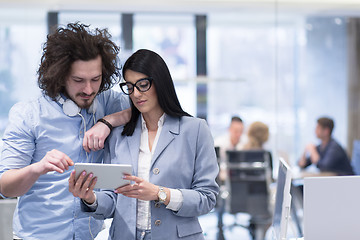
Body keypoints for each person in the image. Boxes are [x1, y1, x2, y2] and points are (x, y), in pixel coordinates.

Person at [69, 49, 219, 240]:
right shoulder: (118, 135)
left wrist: (159, 193)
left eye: (143, 85)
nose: (136, 94)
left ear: (160, 82)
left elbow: (207, 198)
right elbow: (113, 198)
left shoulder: (195, 130)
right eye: (130, 87)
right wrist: (90, 198)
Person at [0, 23, 130, 239]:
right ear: (59, 75)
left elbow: (153, 108)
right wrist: (38, 168)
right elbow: (6, 187)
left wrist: (107, 121)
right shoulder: (29, 114)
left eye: (95, 79)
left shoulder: (109, 103)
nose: (88, 89)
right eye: (78, 80)